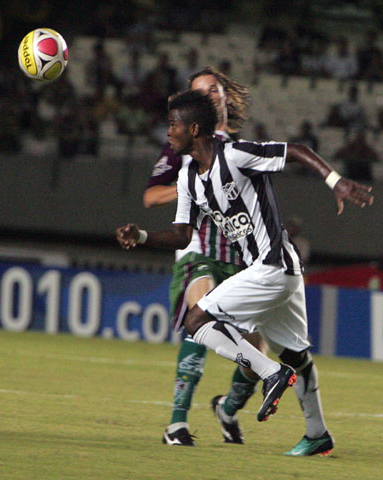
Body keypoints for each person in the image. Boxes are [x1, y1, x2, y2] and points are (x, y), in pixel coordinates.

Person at [117, 89, 374, 456]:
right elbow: (182, 235)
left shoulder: (235, 155)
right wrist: (140, 235)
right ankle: (317, 435)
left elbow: (295, 151)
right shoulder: (189, 177)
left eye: (173, 125)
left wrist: (337, 182)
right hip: (278, 271)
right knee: (297, 357)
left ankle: (270, 373)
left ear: (193, 128)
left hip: (273, 265)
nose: (168, 133)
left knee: (196, 320)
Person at [144, 67, 266, 447]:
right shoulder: (181, 144)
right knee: (200, 313)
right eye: (201, 91)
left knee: (257, 349)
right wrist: (190, 190)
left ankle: (228, 409)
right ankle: (176, 424)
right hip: (197, 249)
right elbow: (150, 196)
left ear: (226, 96)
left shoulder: (240, 148)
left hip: (238, 256)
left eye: (214, 89)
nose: (210, 95)